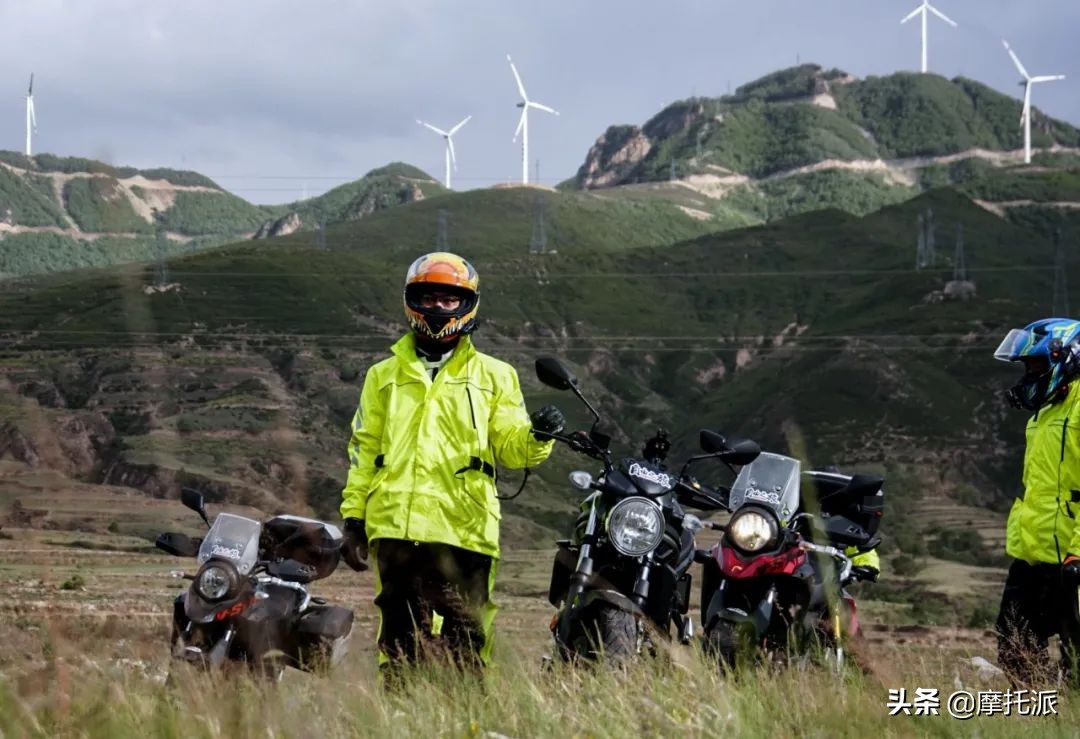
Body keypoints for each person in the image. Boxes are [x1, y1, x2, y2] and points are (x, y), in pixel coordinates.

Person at [338, 251, 565, 676]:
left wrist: (539, 436)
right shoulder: (381, 375)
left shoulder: (496, 375)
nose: (439, 308)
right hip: (396, 528)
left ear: (467, 305)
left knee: (468, 645)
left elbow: (512, 449)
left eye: (449, 300)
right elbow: (364, 450)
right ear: (412, 301)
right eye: (429, 298)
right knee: (401, 646)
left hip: (465, 528)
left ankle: (465, 721)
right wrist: (353, 519)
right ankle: (403, 722)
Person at [993, 318, 1080, 685]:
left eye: (1037, 365)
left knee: (1077, 658)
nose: (1030, 374)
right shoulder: (1044, 412)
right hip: (1034, 553)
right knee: (1014, 641)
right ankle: (1033, 718)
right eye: (1027, 367)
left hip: (1074, 555)